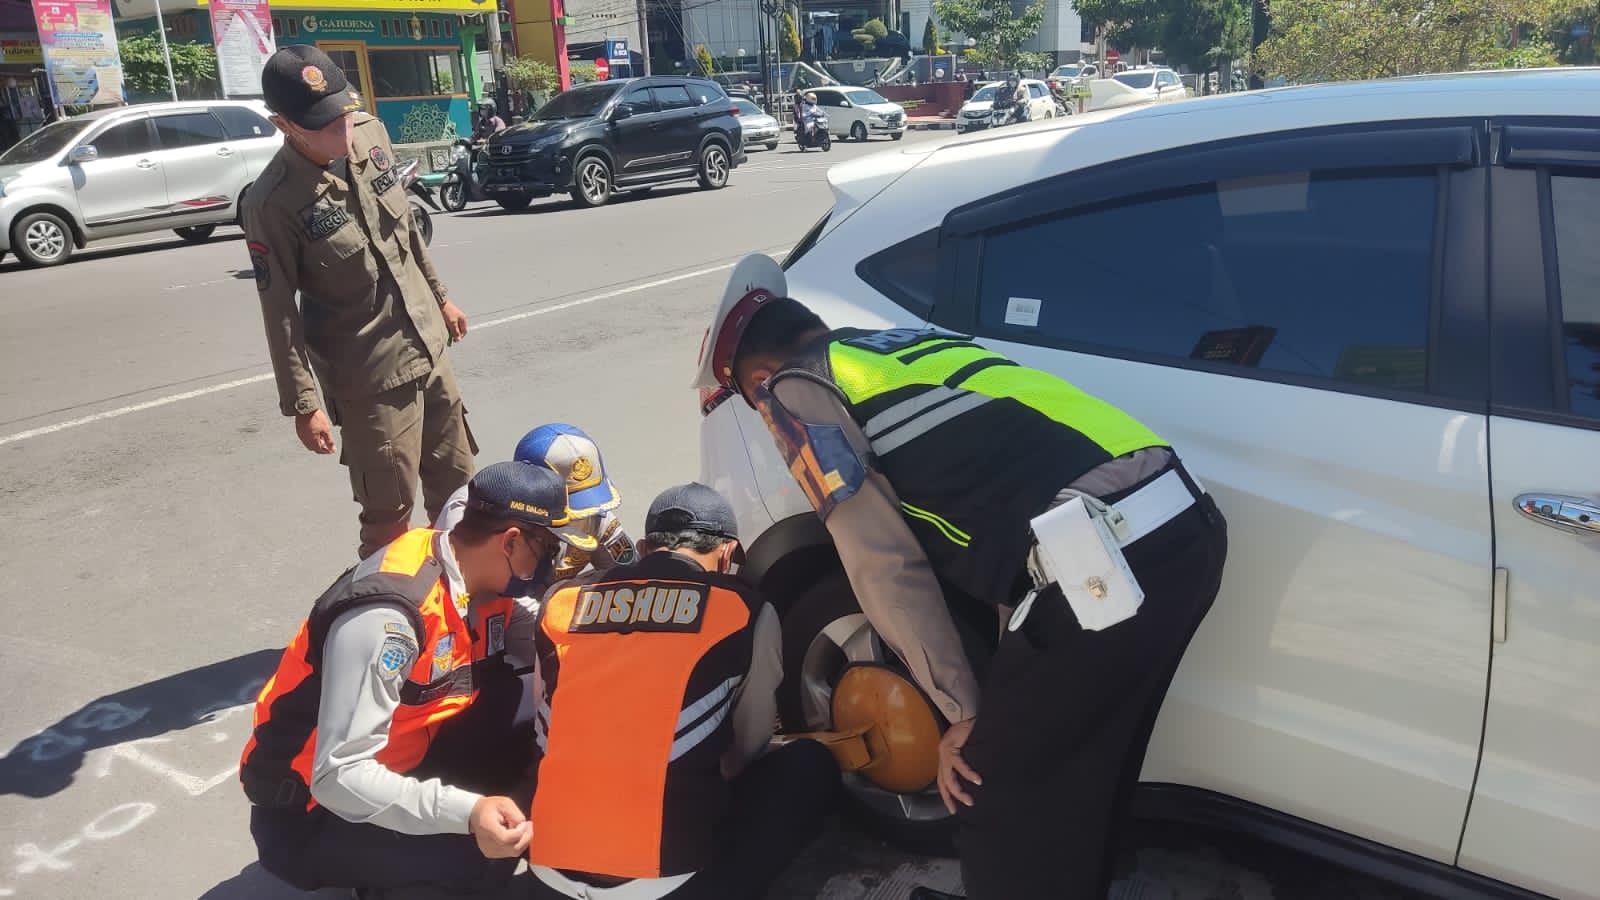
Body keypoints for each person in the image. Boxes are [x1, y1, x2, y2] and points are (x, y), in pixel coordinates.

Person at [693, 255, 1230, 900]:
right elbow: (1011, 506)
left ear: (758, 379)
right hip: (1184, 527)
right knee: (1088, 768)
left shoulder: (794, 388)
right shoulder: (907, 346)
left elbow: (883, 563)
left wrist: (964, 714)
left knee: (987, 787)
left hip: (1103, 560)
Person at [240, 460, 601, 897]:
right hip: (309, 812)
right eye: (547, 546)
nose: (553, 562)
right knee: (482, 858)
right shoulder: (390, 616)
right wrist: (469, 813)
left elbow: (551, 644)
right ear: (510, 541)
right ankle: (390, 882)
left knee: (538, 723)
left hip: (405, 754)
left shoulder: (473, 575)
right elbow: (339, 776)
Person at [526, 483, 840, 900]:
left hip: (548, 874)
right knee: (809, 764)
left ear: (643, 548)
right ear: (727, 554)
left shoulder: (562, 601)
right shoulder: (742, 609)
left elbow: (544, 724)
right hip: (670, 885)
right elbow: (749, 743)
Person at [242, 44, 476, 560]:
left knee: (461, 492)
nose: (342, 131)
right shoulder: (272, 202)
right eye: (324, 125)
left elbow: (407, 231)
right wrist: (304, 405)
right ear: (284, 125)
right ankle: (387, 606)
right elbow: (279, 312)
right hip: (370, 379)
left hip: (428, 343)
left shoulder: (370, 134)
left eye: (344, 114)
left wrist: (442, 299)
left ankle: (463, 599)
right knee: (389, 518)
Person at [435, 423, 636, 597]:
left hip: (547, 611)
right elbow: (461, 591)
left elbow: (632, 580)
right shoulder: (474, 509)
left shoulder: (595, 515)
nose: (582, 513)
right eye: (570, 501)